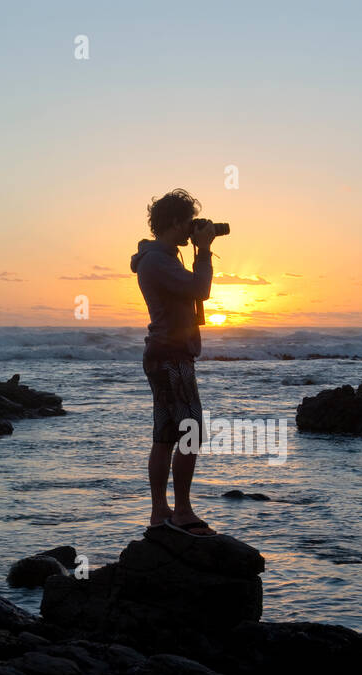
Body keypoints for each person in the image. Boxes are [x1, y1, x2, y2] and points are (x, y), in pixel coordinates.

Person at [130, 188, 218, 536]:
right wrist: (205, 252)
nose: (191, 229)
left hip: (164, 352)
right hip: (171, 355)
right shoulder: (158, 261)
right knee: (190, 432)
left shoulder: (163, 256)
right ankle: (181, 511)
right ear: (174, 222)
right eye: (188, 223)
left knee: (166, 435)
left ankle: (160, 512)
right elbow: (201, 289)